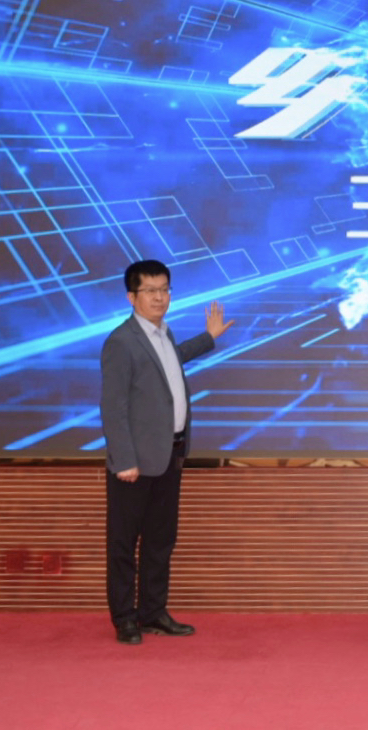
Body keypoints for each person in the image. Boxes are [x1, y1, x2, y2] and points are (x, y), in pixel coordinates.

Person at [100, 259, 233, 645]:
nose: (159, 298)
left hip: (169, 455)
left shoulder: (163, 333)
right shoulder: (121, 342)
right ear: (132, 297)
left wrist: (208, 337)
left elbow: (170, 361)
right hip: (135, 464)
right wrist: (124, 460)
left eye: (164, 290)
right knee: (124, 544)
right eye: (150, 291)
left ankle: (153, 613)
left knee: (160, 541)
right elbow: (112, 407)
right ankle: (125, 619)